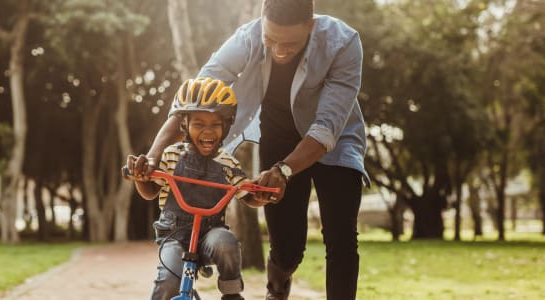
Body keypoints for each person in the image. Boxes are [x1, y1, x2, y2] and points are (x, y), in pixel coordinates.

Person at [134, 1, 369, 299]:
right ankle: (277, 289)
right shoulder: (248, 38)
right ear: (262, 22)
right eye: (271, 40)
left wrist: (285, 170)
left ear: (311, 26)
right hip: (279, 139)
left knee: (341, 237)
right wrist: (154, 154)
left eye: (291, 43)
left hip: (335, 142)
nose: (280, 51)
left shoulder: (343, 42)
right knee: (286, 249)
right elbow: (195, 96)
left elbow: (325, 128)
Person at [127, 78, 269, 300]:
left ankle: (232, 295)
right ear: (184, 125)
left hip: (210, 235)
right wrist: (140, 177)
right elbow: (150, 191)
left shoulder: (228, 162)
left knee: (227, 243)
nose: (208, 132)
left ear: (227, 125)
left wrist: (261, 195)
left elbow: (246, 194)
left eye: (215, 124)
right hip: (174, 235)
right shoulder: (172, 155)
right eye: (199, 124)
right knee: (168, 280)